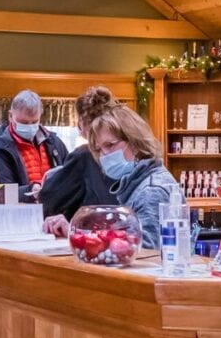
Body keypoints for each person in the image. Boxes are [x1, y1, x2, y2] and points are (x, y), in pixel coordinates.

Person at [44, 104, 177, 249]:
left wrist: (78, 236)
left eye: (110, 145)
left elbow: (144, 251)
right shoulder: (136, 184)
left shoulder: (151, 190)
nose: (104, 155)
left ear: (135, 142)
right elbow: (124, 238)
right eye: (99, 149)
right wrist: (74, 232)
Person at [38, 86, 119, 219]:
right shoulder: (126, 152)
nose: (103, 153)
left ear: (82, 122)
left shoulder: (83, 156)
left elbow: (48, 201)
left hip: (93, 232)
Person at [0, 89, 68, 201]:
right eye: (24, 122)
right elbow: (1, 194)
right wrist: (30, 191)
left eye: (34, 122)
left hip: (55, 211)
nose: (30, 126)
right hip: (22, 214)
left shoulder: (54, 142)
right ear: (11, 116)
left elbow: (71, 176)